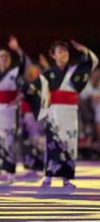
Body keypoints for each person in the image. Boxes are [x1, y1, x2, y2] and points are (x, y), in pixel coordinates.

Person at [23, 40, 98, 188]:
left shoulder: (74, 71)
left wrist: (83, 49)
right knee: (53, 143)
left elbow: (92, 61)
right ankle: (48, 177)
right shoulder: (49, 73)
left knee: (69, 144)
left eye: (66, 51)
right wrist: (21, 96)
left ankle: (66, 178)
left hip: (70, 111)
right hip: (55, 112)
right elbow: (34, 88)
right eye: (60, 51)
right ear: (53, 55)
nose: (63, 54)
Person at [0, 36, 30, 183]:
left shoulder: (14, 72)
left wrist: (17, 49)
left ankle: (10, 171)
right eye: (1, 57)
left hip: (10, 110)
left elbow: (24, 63)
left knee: (9, 141)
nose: (3, 59)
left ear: (10, 59)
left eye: (6, 56)